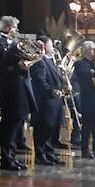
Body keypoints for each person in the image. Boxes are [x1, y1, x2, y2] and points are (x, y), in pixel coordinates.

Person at [0, 16, 33, 172]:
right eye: (16, 27)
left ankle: (12, 156)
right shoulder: (0, 41)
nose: (18, 31)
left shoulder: (13, 43)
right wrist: (17, 64)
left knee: (17, 122)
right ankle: (6, 158)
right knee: (9, 123)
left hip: (19, 85)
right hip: (9, 86)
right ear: (8, 27)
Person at [28, 36, 65, 166]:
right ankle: (40, 155)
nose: (53, 48)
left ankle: (49, 153)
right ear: (44, 46)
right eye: (50, 45)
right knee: (43, 129)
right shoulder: (39, 60)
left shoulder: (49, 60)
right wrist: (51, 90)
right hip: (45, 101)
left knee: (50, 129)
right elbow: (39, 80)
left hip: (54, 100)